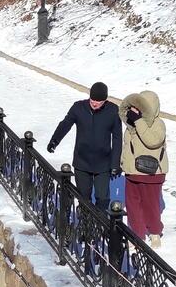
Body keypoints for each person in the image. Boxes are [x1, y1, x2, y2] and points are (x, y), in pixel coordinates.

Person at [46, 81, 122, 211]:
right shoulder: (78, 108)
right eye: (92, 100)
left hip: (103, 163)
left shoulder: (113, 111)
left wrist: (115, 164)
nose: (94, 104)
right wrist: (54, 141)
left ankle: (99, 222)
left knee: (102, 198)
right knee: (83, 197)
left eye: (99, 102)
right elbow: (65, 124)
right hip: (82, 161)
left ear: (105, 101)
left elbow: (117, 138)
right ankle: (84, 220)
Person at [119, 90, 167, 248]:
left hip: (151, 172)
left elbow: (152, 141)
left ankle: (154, 232)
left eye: (140, 106)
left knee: (150, 204)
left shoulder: (158, 124)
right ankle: (137, 234)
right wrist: (123, 163)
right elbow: (128, 146)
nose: (136, 109)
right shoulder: (133, 123)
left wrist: (138, 121)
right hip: (133, 171)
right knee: (132, 204)